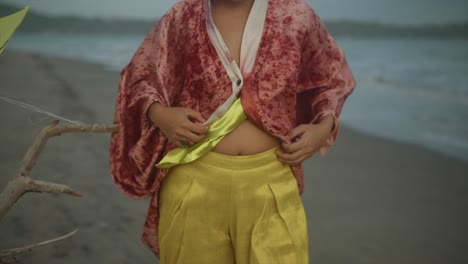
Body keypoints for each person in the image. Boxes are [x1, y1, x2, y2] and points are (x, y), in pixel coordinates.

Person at [109, 0, 356, 263]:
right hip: (193, 182)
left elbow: (332, 77)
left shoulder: (295, 15)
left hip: (271, 183)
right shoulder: (184, 15)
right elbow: (138, 76)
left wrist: (323, 127)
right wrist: (161, 115)